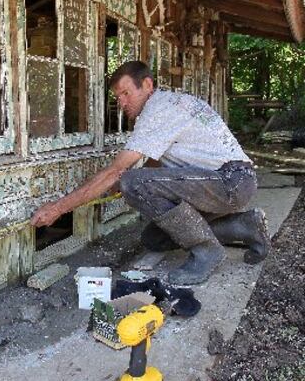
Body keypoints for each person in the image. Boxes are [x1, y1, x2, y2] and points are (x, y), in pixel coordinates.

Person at [31, 60, 270, 285]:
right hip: (227, 183)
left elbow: (117, 171)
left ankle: (207, 251)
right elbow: (155, 164)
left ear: (147, 84)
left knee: (132, 181)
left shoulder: (158, 109)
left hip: (230, 181)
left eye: (126, 93)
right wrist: (125, 180)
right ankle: (245, 225)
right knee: (154, 239)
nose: (122, 103)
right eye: (118, 97)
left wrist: (58, 208)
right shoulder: (170, 103)